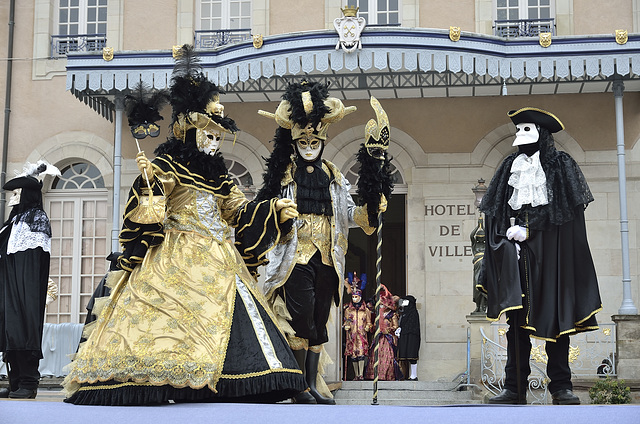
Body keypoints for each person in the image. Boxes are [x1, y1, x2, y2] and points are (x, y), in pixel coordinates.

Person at [62, 45, 306, 405]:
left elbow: (237, 211)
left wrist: (273, 209)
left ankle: (243, 381)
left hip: (221, 258)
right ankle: (169, 379)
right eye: (209, 134)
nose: (214, 141)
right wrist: (149, 185)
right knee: (168, 318)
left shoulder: (220, 176)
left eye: (218, 136)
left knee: (238, 310)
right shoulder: (169, 166)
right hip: (175, 252)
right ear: (188, 131)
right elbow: (150, 206)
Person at [252, 81, 389, 404]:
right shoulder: (284, 175)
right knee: (300, 317)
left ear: (323, 140)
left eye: (315, 139)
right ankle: (298, 385)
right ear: (295, 141)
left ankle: (311, 382)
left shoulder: (335, 176)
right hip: (295, 257)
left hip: (328, 258)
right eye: (304, 140)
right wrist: (277, 213)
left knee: (318, 320)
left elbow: (352, 214)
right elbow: (262, 209)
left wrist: (372, 205)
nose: (310, 145)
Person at [478, 107, 602, 405]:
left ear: (541, 134)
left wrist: (529, 229)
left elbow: (565, 211)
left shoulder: (560, 165)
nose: (520, 136)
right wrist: (506, 237)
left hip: (552, 256)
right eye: (517, 130)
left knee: (557, 319)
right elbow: (497, 208)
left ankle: (561, 386)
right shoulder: (510, 166)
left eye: (526, 130)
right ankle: (514, 387)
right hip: (519, 256)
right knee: (515, 323)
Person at [0, 161, 59, 399]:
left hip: (25, 287)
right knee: (8, 329)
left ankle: (28, 382)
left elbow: (33, 260)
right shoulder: (12, 223)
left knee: (23, 328)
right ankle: (15, 381)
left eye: (17, 193)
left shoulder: (36, 219)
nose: (13, 197)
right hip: (8, 286)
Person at [364, 285, 402, 381]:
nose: (381, 306)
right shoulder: (377, 315)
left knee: (387, 357)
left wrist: (388, 329)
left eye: (382, 304)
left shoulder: (392, 315)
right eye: (380, 305)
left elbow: (396, 326)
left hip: (388, 339)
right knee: (375, 356)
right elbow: (373, 325)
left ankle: (386, 375)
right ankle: (374, 375)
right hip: (378, 338)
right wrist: (371, 327)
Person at [343, 274, 371, 381]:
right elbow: (346, 321)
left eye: (356, 297)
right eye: (353, 297)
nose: (354, 299)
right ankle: (356, 374)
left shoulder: (366, 310)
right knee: (353, 355)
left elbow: (369, 322)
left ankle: (361, 374)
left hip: (362, 335)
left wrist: (368, 326)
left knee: (361, 354)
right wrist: (346, 326)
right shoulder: (348, 309)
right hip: (352, 335)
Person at [396, 295, 420, 381]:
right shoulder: (404, 313)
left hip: (411, 338)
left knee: (412, 356)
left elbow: (412, 326)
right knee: (404, 355)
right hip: (405, 337)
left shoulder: (413, 313)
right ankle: (404, 375)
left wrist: (402, 330)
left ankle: (414, 375)